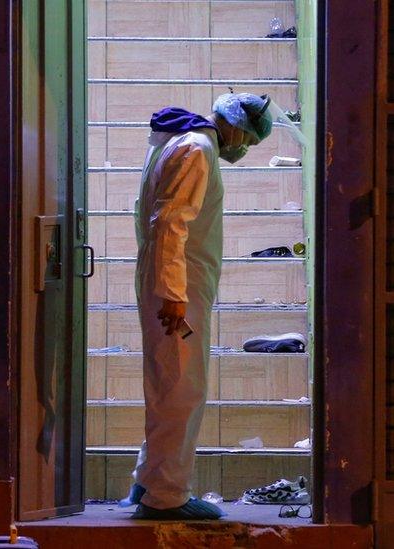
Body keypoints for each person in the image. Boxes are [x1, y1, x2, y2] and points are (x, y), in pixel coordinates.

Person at [120, 93, 281, 520]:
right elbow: (170, 221)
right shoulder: (197, 149)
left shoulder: (180, 142)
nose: (243, 148)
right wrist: (174, 294)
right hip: (179, 289)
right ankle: (166, 496)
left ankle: (148, 481)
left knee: (168, 385)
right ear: (233, 124)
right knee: (181, 389)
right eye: (246, 138)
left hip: (173, 284)